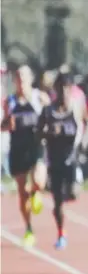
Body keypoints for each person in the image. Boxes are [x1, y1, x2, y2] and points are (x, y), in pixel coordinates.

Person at [38, 72, 88, 249]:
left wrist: (84, 143)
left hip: (72, 157)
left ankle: (72, 188)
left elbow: (87, 122)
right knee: (58, 200)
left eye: (67, 88)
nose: (64, 92)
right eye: (60, 88)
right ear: (56, 90)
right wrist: (50, 132)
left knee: (73, 193)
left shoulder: (75, 108)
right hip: (54, 159)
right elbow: (38, 132)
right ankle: (61, 233)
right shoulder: (48, 110)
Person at [1, 65, 50, 246]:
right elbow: (3, 125)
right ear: (14, 81)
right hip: (18, 149)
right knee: (22, 193)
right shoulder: (10, 101)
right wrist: (7, 123)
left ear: (30, 79)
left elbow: (50, 117)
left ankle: (37, 193)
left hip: (36, 146)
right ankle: (29, 228)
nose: (21, 81)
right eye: (18, 78)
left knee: (39, 181)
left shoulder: (40, 98)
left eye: (24, 77)